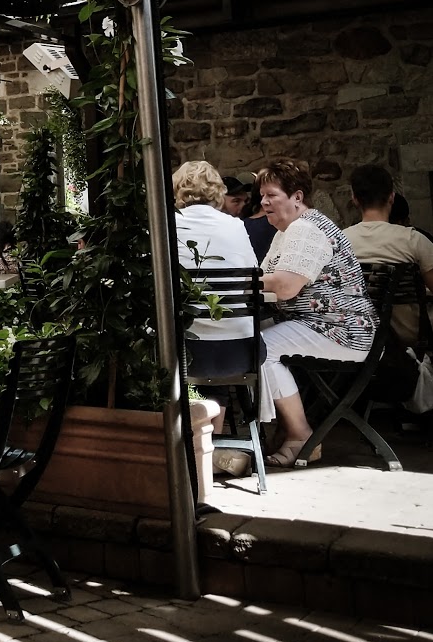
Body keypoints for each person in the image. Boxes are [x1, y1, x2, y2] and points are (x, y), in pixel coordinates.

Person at [258, 159, 377, 469]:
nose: (263, 202)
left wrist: (242, 281)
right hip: (316, 324)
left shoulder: (306, 229)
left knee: (259, 348)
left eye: (271, 195)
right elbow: (267, 279)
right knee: (247, 337)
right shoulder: (287, 231)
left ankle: (301, 436)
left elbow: (284, 286)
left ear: (297, 197)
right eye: (262, 196)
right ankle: (271, 428)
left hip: (341, 330)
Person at [173, 162, 263, 476]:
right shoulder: (235, 226)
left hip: (185, 355)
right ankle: (213, 447)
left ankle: (199, 448)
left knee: (193, 334)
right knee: (220, 332)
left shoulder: (166, 227)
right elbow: (252, 280)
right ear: (217, 193)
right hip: (240, 353)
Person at [344, 164, 433, 348]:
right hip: (410, 336)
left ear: (355, 199)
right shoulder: (413, 240)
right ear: (392, 196)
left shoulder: (339, 242)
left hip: (358, 337)